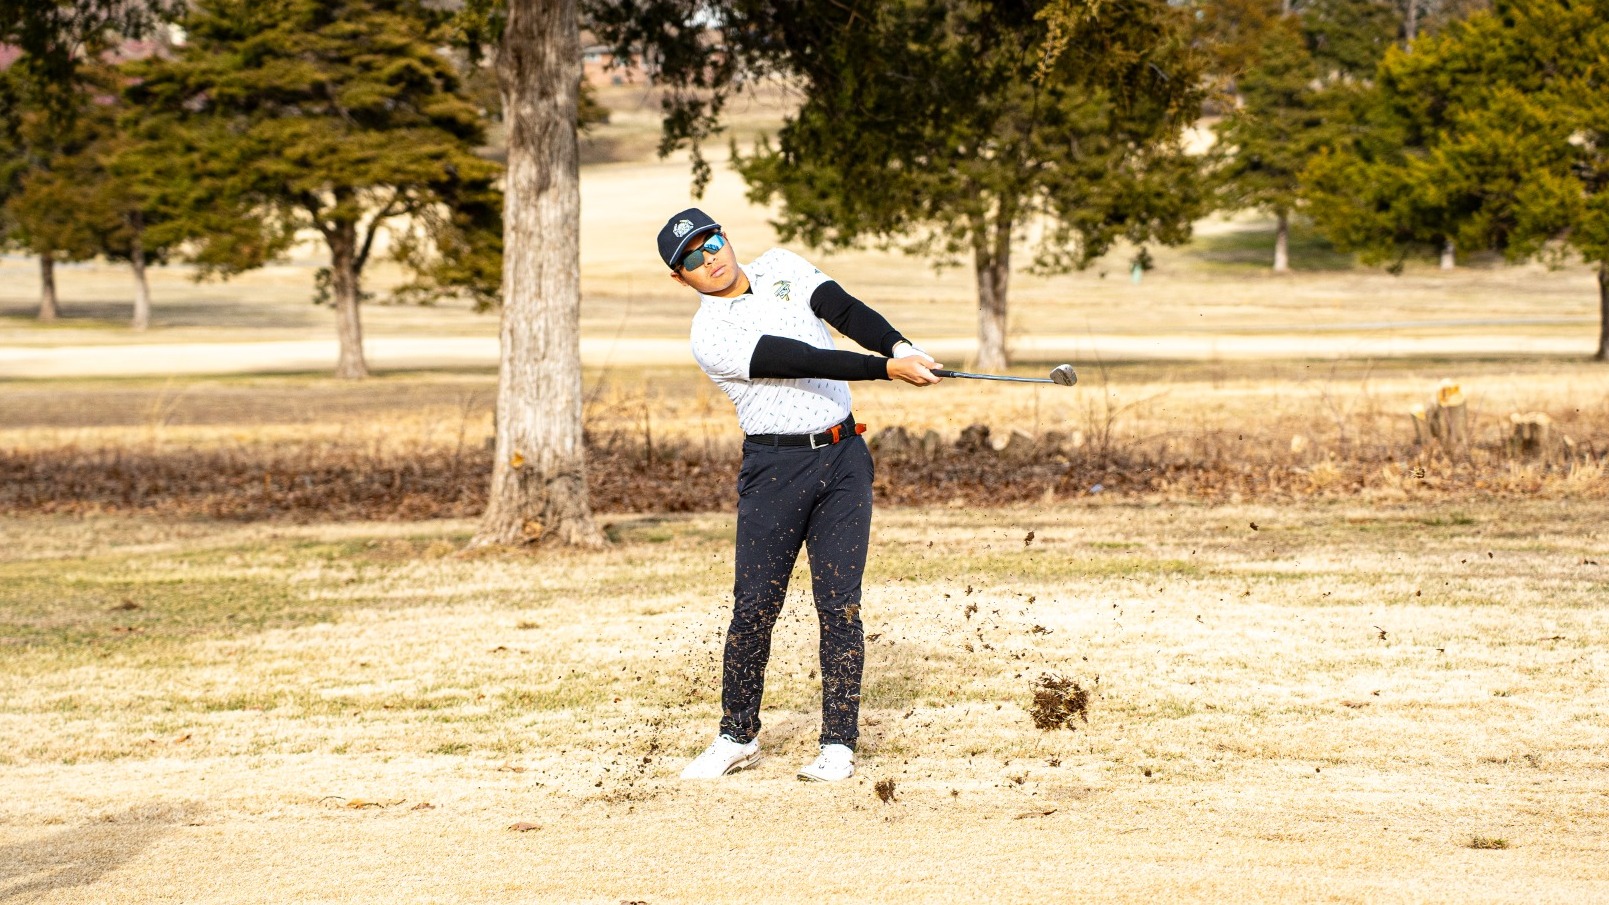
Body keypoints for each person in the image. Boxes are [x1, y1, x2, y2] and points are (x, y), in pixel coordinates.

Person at [656, 207, 942, 782]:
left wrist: (900, 345)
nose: (708, 259)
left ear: (724, 237)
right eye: (690, 258)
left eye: (710, 243)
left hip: (843, 460)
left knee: (841, 603)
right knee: (755, 607)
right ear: (679, 277)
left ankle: (839, 743)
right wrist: (886, 369)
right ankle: (737, 735)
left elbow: (842, 310)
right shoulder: (710, 333)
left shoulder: (783, 264)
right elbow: (798, 357)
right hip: (774, 468)